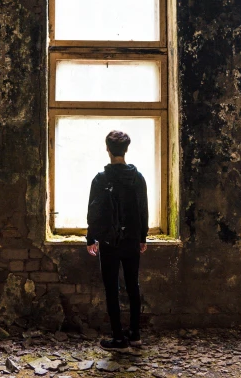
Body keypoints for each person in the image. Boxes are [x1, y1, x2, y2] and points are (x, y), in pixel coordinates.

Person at [86, 130, 148, 351]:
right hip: (131, 239)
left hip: (110, 242)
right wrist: (143, 237)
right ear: (126, 149)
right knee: (133, 286)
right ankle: (135, 334)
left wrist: (91, 238)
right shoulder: (137, 178)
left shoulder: (101, 179)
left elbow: (94, 211)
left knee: (112, 288)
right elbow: (142, 210)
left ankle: (119, 338)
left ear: (107, 149)